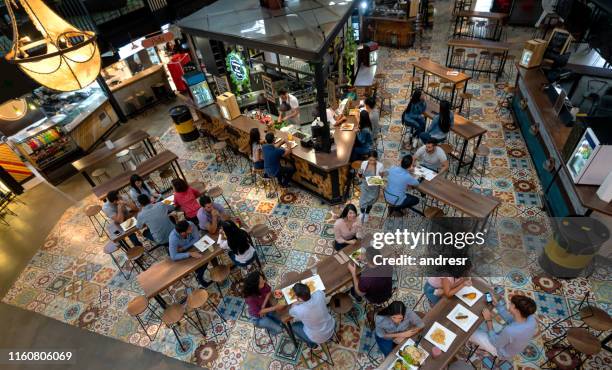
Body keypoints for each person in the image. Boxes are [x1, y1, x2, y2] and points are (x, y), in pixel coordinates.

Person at [469, 295, 538, 360]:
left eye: (511, 304)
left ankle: (487, 351)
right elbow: (511, 319)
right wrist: (498, 306)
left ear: (516, 310)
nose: (509, 304)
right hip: (508, 341)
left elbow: (495, 343)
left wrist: (488, 320)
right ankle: (482, 345)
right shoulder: (530, 318)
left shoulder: (510, 331)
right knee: (481, 325)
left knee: (469, 332)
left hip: (501, 352)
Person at [289, 283, 335, 348]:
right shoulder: (318, 293)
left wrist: (296, 303)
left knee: (294, 326)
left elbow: (291, 312)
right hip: (330, 326)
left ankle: (312, 345)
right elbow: (321, 293)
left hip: (317, 337)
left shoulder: (298, 309)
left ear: (297, 297)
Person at [168, 220, 211, 287]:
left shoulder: (190, 224)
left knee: (207, 256)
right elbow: (173, 256)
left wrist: (184, 247)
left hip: (193, 245)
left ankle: (199, 275)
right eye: (189, 229)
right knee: (195, 262)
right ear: (183, 233)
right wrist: (189, 254)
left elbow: (196, 238)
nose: (191, 228)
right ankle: (200, 277)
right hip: (184, 253)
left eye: (190, 227)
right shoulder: (173, 238)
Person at [358, 150, 385, 223]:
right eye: (370, 160)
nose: (372, 162)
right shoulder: (364, 163)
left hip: (374, 187)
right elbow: (360, 173)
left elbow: (380, 178)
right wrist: (359, 175)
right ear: (367, 158)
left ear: (376, 159)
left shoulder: (380, 166)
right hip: (365, 186)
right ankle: (362, 213)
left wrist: (369, 180)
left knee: (371, 201)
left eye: (374, 160)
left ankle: (366, 213)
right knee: (362, 202)